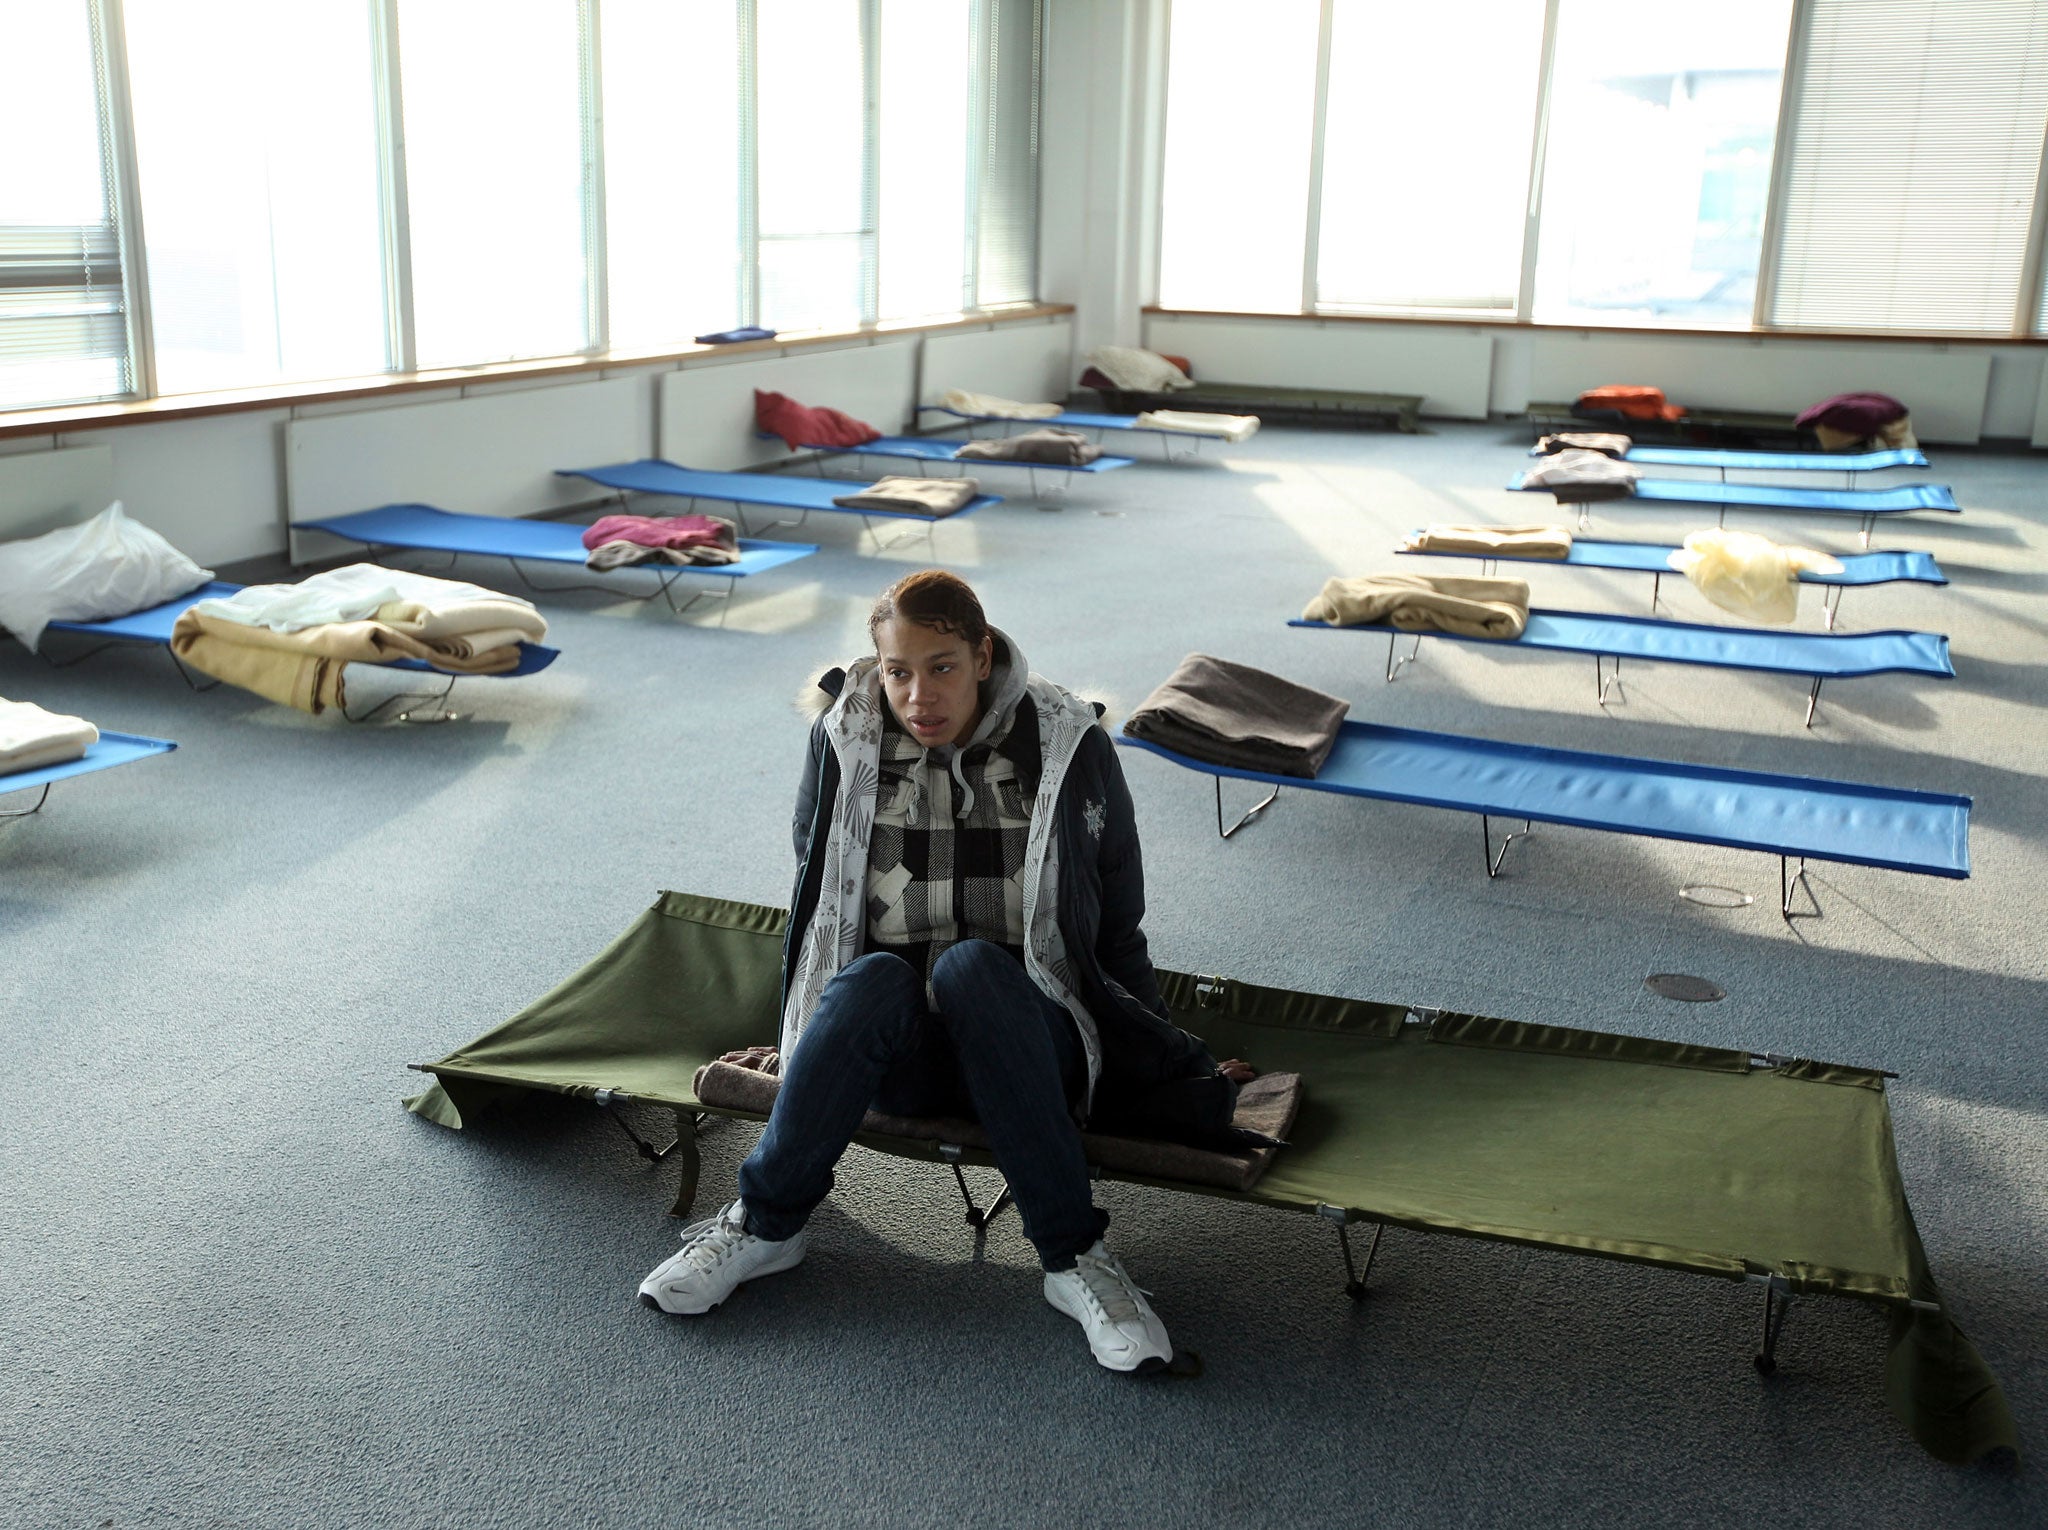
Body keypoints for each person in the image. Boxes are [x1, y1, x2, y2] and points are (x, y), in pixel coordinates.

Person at [637, 569, 1250, 1372]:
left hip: (1032, 1040)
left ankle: (1075, 1263)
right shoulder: (841, 744)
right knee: (869, 982)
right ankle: (764, 1226)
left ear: (984, 655)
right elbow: (815, 903)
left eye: (942, 667)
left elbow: (1118, 924)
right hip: (908, 1058)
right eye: (898, 672)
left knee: (972, 969)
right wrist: (801, 1040)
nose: (918, 694)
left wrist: (1162, 1054)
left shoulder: (1071, 748)